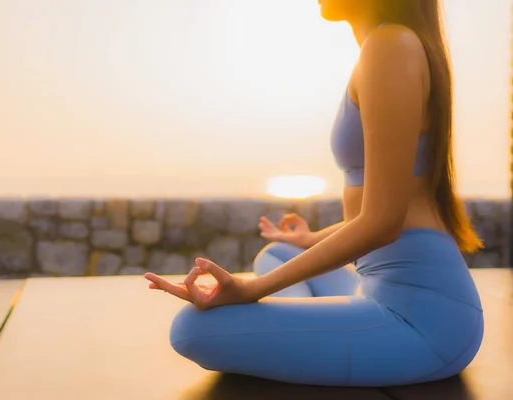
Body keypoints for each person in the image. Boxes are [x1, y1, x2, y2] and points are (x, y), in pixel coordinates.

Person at [144, 0, 485, 387]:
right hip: (372, 284)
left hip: (425, 323)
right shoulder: (389, 44)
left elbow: (383, 223)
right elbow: (382, 213)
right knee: (279, 252)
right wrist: (310, 240)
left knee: (191, 330)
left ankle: (316, 326)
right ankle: (321, 325)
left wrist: (250, 291)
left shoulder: (391, 46)